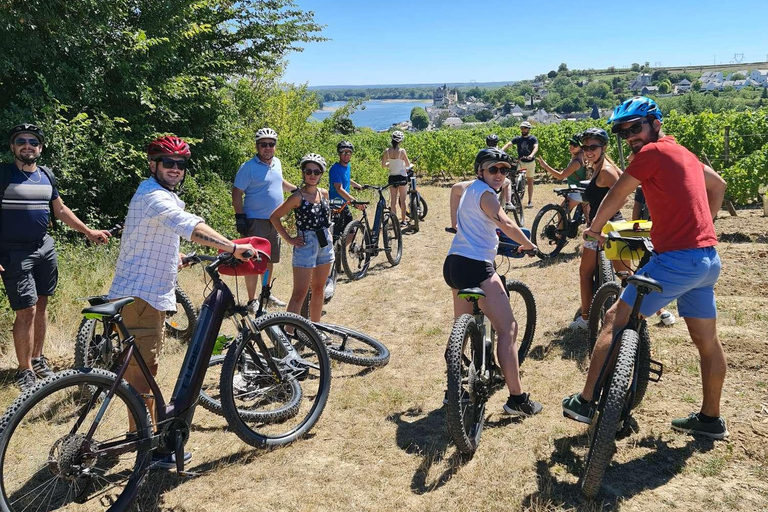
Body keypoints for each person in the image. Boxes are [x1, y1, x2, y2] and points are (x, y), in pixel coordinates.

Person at [562, 96, 729, 439]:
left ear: (655, 122)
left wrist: (594, 230)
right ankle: (710, 419)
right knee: (707, 342)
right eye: (623, 132)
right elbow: (719, 185)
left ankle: (585, 400)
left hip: (677, 259)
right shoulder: (683, 152)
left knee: (614, 319)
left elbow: (618, 195)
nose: (629, 137)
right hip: (707, 260)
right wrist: (703, 226)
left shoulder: (650, 154)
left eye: (635, 127)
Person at [109, 135, 257, 468]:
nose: (175, 169)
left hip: (141, 294)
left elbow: (159, 234)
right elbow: (189, 225)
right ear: (154, 165)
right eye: (168, 163)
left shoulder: (158, 196)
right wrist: (232, 247)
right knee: (143, 377)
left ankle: (142, 437)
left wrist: (179, 255)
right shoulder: (154, 196)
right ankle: (150, 450)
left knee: (141, 373)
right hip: (141, 298)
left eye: (180, 164)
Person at [1, 123, 111, 392]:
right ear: (13, 147)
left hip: (44, 248)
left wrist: (88, 231)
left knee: (41, 304)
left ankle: (37, 359)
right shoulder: (3, 173)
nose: (28, 145)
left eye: (33, 141)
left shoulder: (46, 175)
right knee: (25, 310)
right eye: (21, 141)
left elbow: (60, 210)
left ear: (40, 147)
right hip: (13, 251)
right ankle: (24, 370)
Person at [443, 147, 542, 416]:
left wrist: (456, 223)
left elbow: (454, 189)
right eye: (493, 169)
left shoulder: (470, 188)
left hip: (453, 264)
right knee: (508, 329)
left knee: (459, 330)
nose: (499, 174)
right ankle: (517, 400)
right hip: (476, 266)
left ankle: (452, 388)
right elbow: (507, 224)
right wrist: (530, 245)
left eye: (503, 169)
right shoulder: (487, 195)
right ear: (481, 171)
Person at [232, 127, 296, 310]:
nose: (267, 147)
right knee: (252, 260)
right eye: (263, 144)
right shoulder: (248, 167)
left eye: (271, 144)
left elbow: (280, 183)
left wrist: (296, 191)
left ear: (275, 146)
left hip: (274, 221)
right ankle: (252, 301)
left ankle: (266, 294)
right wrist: (240, 217)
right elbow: (237, 193)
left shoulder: (277, 163)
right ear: (257, 146)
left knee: (268, 260)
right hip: (255, 221)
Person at [568, 128, 624, 331]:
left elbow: (622, 196)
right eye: (585, 147)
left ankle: (585, 319)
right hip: (609, 225)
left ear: (604, 148)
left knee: (585, 273)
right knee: (625, 274)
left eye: (593, 147)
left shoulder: (606, 171)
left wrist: (600, 226)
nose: (588, 151)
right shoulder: (601, 166)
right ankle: (656, 312)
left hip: (602, 228)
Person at [270, 154, 334, 322]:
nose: (312, 175)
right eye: (308, 171)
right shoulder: (297, 197)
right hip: (305, 244)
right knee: (299, 293)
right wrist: (290, 239)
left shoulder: (324, 193)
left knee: (319, 289)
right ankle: (288, 334)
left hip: (324, 243)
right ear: (303, 173)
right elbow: (274, 217)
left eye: (316, 171)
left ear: (321, 174)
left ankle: (316, 329)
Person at [326, 140, 363, 298]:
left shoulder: (346, 166)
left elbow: (346, 181)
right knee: (335, 238)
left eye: (349, 152)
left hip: (344, 204)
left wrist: (356, 185)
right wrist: (354, 201)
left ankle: (340, 250)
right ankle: (331, 271)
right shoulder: (335, 168)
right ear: (339, 153)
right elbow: (338, 188)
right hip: (336, 206)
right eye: (343, 152)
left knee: (351, 231)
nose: (346, 154)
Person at [536, 134, 588, 213]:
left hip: (577, 192)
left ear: (581, 147)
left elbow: (560, 176)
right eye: (571, 143)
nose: (571, 146)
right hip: (582, 190)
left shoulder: (576, 162)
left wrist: (545, 166)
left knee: (561, 213)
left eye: (575, 144)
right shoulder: (582, 156)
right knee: (588, 218)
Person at [502, 121, 539, 208]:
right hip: (521, 162)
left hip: (530, 162)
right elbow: (509, 144)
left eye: (525, 128)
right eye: (522, 128)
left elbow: (535, 147)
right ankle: (514, 198)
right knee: (515, 180)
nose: (523, 130)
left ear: (529, 129)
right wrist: (501, 150)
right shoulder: (518, 139)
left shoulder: (532, 139)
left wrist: (531, 155)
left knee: (530, 182)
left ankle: (530, 201)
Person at [381, 131, 411, 227]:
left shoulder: (387, 151)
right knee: (402, 200)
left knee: (393, 200)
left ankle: (394, 221)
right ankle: (403, 220)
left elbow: (383, 165)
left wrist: (391, 163)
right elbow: (407, 164)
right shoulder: (402, 151)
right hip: (402, 176)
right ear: (400, 141)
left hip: (392, 177)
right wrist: (400, 163)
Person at [486, 133, 514, 209]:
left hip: (483, 179)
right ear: (497, 143)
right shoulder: (500, 152)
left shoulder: (484, 153)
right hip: (493, 181)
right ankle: (508, 202)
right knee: (507, 182)